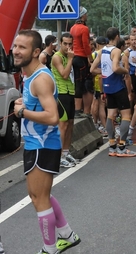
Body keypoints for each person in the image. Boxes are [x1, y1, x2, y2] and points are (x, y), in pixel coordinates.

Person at [13, 29, 80, 254]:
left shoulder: (40, 78)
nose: (16, 51)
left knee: (38, 198)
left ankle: (50, 251)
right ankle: (66, 234)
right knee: (42, 195)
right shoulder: (31, 76)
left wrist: (22, 111)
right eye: (15, 46)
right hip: (38, 144)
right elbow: (41, 105)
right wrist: (26, 103)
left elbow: (52, 116)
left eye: (22, 47)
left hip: (42, 145)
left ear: (36, 52)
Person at [90, 27, 136, 157]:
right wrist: (126, 71)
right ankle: (122, 147)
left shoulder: (101, 50)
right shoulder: (116, 51)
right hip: (117, 86)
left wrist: (105, 73)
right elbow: (116, 67)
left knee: (111, 115)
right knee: (126, 116)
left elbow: (92, 69)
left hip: (107, 86)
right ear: (117, 36)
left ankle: (112, 146)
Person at [51, 33, 78, 167]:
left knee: (71, 124)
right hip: (61, 93)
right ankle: (59, 155)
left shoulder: (68, 55)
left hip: (70, 91)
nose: (68, 46)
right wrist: (71, 59)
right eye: (65, 44)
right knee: (63, 125)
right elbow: (65, 75)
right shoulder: (57, 57)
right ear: (60, 43)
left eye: (70, 44)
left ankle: (66, 152)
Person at [70, 6, 93, 118]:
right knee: (83, 82)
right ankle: (79, 110)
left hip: (74, 57)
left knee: (77, 81)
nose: (87, 16)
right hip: (82, 57)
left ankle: (78, 109)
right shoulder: (84, 28)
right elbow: (86, 45)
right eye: (86, 14)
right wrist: (90, 59)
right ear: (83, 15)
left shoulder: (73, 28)